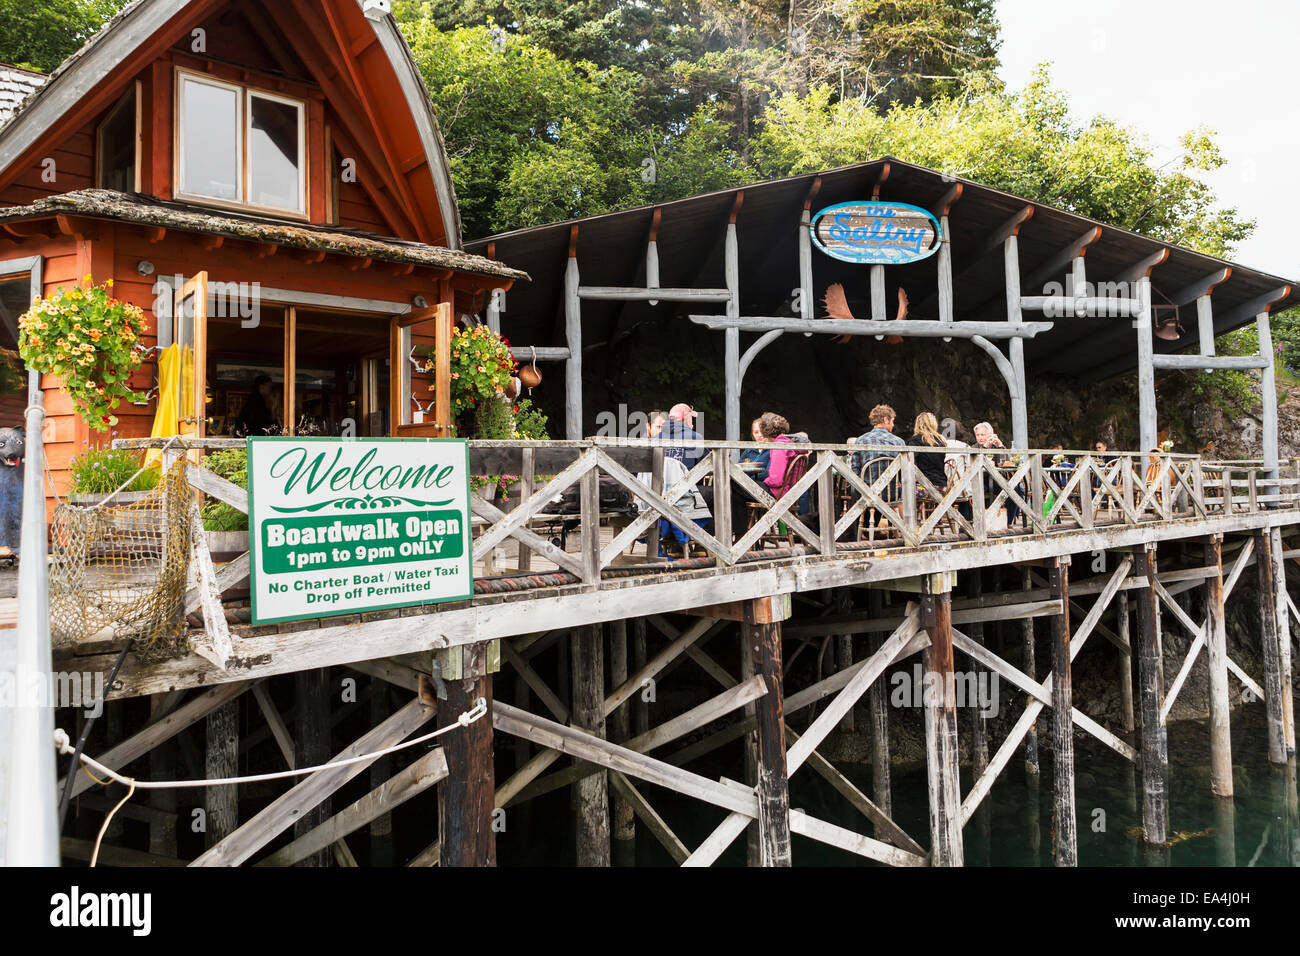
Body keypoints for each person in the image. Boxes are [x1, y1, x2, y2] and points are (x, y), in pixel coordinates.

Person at [974, 420, 1020, 526]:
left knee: (1015, 488)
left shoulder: (995, 447)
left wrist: (1000, 445)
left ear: (990, 435)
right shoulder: (974, 448)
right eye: (978, 435)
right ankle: (984, 522)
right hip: (981, 482)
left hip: (997, 480)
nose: (980, 437)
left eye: (983, 435)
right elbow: (975, 464)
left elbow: (1006, 462)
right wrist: (984, 447)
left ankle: (1008, 521)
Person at [850, 404, 905, 477]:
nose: (893, 425)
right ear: (886, 420)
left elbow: (855, 470)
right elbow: (904, 471)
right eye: (892, 421)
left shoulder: (860, 440)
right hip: (892, 487)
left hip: (866, 487)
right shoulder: (899, 442)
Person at [907, 412, 949, 494]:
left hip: (923, 487)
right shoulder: (942, 440)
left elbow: (908, 462)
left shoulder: (915, 441)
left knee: (900, 491)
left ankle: (921, 507)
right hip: (943, 486)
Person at [660, 403, 704, 468]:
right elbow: (709, 462)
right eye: (691, 418)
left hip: (660, 478)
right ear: (687, 419)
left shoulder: (657, 437)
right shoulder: (695, 437)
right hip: (688, 478)